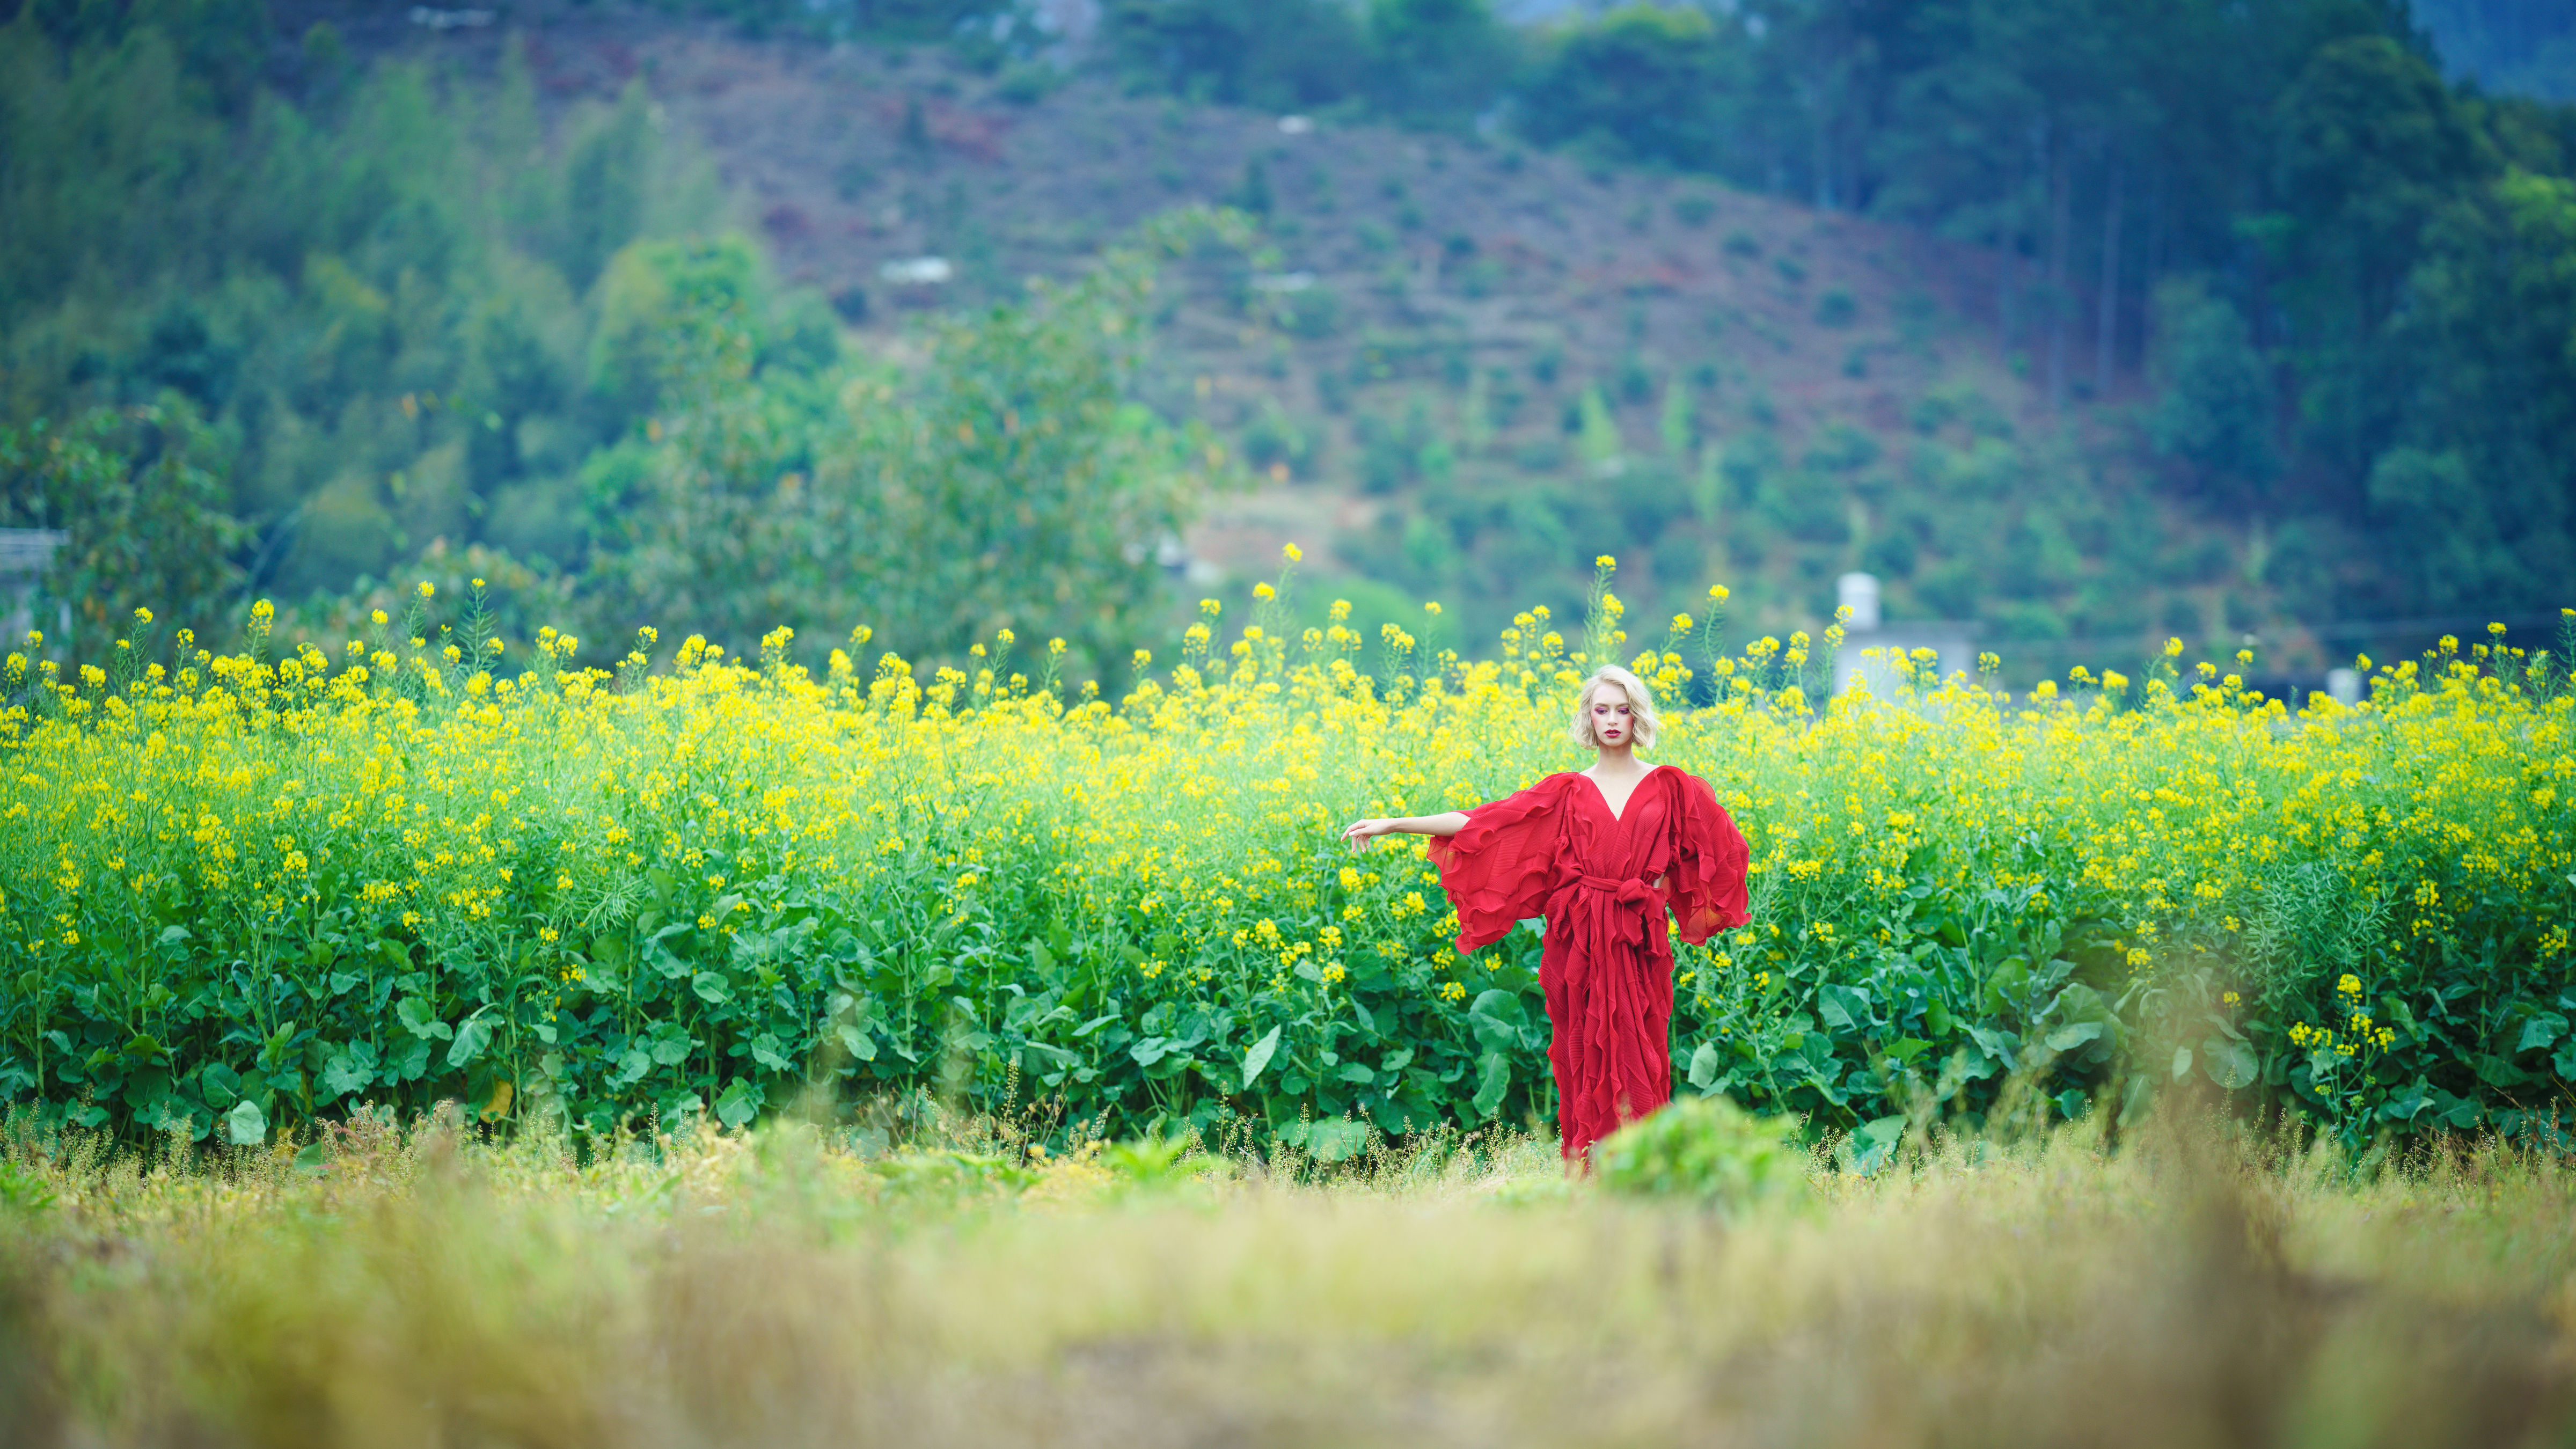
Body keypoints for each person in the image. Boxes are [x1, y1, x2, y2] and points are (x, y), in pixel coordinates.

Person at [1340, 663, 1750, 1166]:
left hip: (1638, 940)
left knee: (1642, 1049)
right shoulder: (1568, 791)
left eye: (1623, 710)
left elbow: (1719, 848)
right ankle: (1591, 1177)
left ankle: (1647, 1172)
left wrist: (1663, 889)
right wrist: (1393, 824)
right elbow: (1485, 823)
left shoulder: (1670, 787)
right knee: (1585, 1054)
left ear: (1637, 715)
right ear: (1589, 718)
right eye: (1602, 710)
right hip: (1579, 942)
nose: (1613, 720)